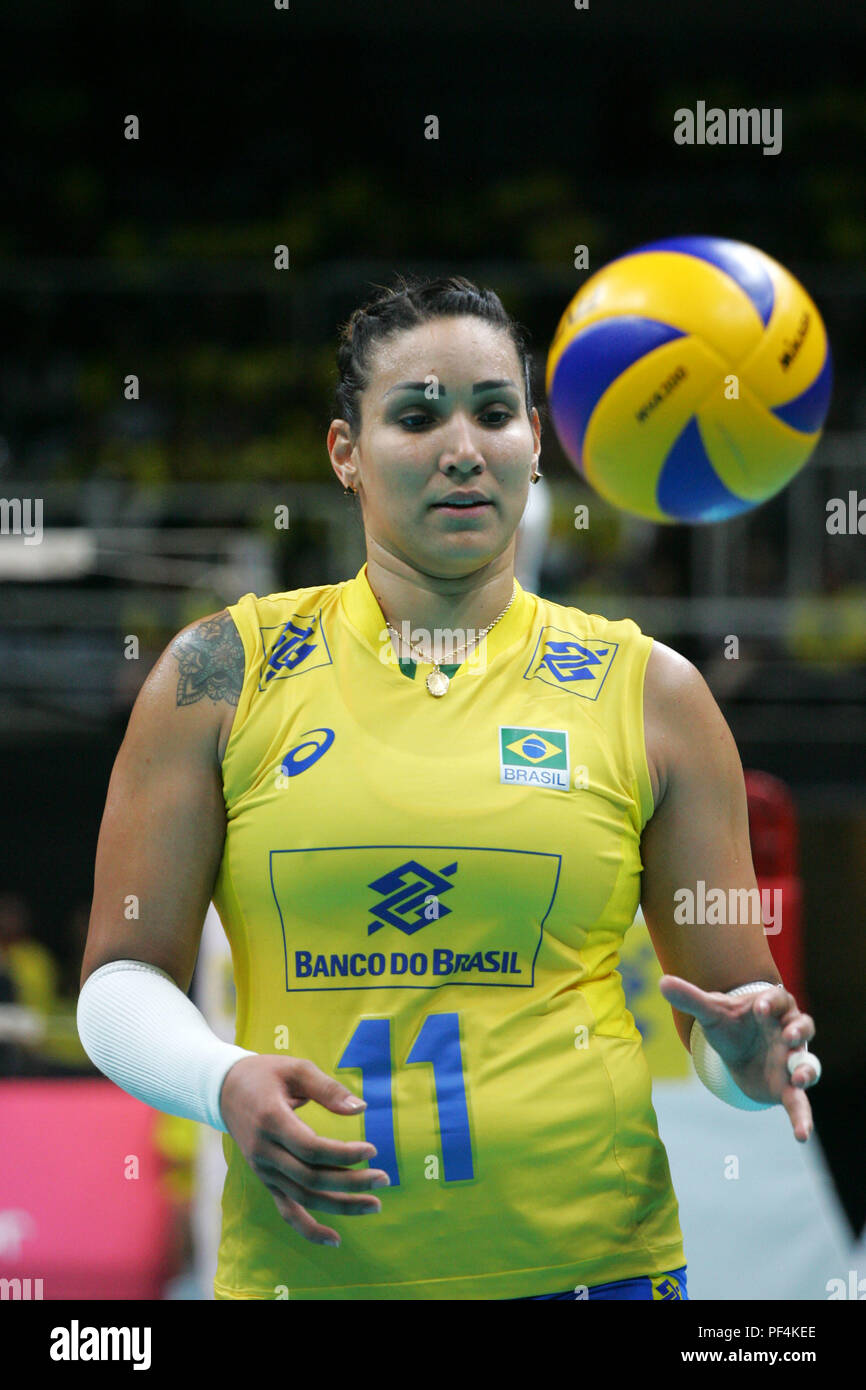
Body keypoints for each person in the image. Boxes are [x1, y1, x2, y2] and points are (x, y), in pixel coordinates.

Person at [78, 274, 821, 1302]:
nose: (461, 447)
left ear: (534, 443)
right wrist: (219, 1079)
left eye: (493, 411)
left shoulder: (651, 693)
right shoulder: (218, 674)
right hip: (311, 1277)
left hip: (597, 1274)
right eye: (416, 416)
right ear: (345, 452)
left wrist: (747, 1059)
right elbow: (118, 982)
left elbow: (730, 1029)